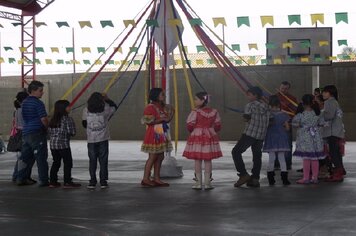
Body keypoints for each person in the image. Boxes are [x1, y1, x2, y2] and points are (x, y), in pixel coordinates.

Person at [183, 92, 222, 190]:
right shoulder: (214, 112)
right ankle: (208, 183)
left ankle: (198, 183)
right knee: (208, 160)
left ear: (202, 100)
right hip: (210, 135)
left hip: (197, 136)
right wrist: (211, 130)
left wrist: (194, 130)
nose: (195, 101)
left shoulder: (195, 112)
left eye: (196, 99)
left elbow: (190, 125)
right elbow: (218, 125)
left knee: (197, 159)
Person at [232, 86, 270, 188]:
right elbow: (271, 120)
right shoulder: (266, 106)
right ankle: (255, 179)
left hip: (250, 133)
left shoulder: (250, 105)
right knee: (257, 157)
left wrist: (247, 118)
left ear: (255, 95)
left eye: (249, 94)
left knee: (236, 152)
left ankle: (243, 174)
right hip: (261, 135)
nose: (247, 96)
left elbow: (246, 118)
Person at [16, 81, 49, 187]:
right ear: (33, 91)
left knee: (25, 157)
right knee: (41, 158)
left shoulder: (24, 102)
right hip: (36, 133)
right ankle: (43, 180)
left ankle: (20, 178)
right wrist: (47, 127)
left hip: (26, 133)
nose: (42, 93)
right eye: (40, 90)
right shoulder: (38, 103)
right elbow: (43, 119)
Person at [82, 92, 117, 189]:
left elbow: (84, 123)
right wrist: (107, 99)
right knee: (103, 160)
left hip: (91, 140)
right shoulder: (106, 109)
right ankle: (103, 181)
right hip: (103, 139)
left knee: (92, 161)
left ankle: (92, 181)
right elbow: (114, 106)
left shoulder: (86, 110)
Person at [141, 88, 174, 187]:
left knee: (160, 156)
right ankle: (146, 178)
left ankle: (157, 178)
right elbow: (148, 121)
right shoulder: (150, 107)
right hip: (154, 132)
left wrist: (171, 113)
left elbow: (167, 120)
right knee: (153, 156)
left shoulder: (161, 107)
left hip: (161, 132)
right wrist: (162, 119)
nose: (164, 96)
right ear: (156, 96)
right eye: (162, 94)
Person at [292, 94, 325, 184]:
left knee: (306, 158)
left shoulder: (301, 114)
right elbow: (322, 123)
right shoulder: (317, 113)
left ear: (303, 103)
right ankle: (315, 177)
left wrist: (300, 125)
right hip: (315, 136)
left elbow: (294, 123)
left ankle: (306, 178)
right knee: (315, 158)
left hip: (305, 137)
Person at [48, 100, 81, 188]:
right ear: (63, 108)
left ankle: (52, 181)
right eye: (68, 106)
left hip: (53, 145)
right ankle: (67, 181)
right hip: (63, 145)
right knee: (68, 163)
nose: (70, 108)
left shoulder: (52, 119)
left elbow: (49, 132)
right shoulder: (67, 119)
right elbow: (72, 132)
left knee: (56, 162)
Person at [263, 95, 291, 186]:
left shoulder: (267, 114)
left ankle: (271, 180)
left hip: (271, 138)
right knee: (282, 159)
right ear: (279, 104)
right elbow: (287, 128)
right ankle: (285, 180)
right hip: (281, 138)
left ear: (269, 104)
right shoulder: (284, 115)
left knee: (271, 159)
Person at [321, 85, 345, 182]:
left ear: (330, 93)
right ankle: (339, 171)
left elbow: (329, 116)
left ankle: (338, 174)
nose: (323, 94)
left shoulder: (329, 102)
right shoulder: (335, 102)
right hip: (337, 131)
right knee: (337, 153)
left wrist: (321, 113)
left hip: (332, 132)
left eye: (325, 92)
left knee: (333, 153)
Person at [11, 91, 32, 182]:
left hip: (18, 133)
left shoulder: (16, 110)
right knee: (26, 157)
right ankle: (22, 177)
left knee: (21, 157)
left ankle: (16, 175)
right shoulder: (24, 110)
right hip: (25, 133)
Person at [277, 81, 298, 170]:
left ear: (288, 89)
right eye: (282, 88)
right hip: (276, 124)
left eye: (286, 89)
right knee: (276, 144)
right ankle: (276, 163)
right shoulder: (274, 97)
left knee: (288, 144)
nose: (284, 90)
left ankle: (288, 163)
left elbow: (295, 111)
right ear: (279, 87)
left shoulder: (292, 98)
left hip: (287, 124)